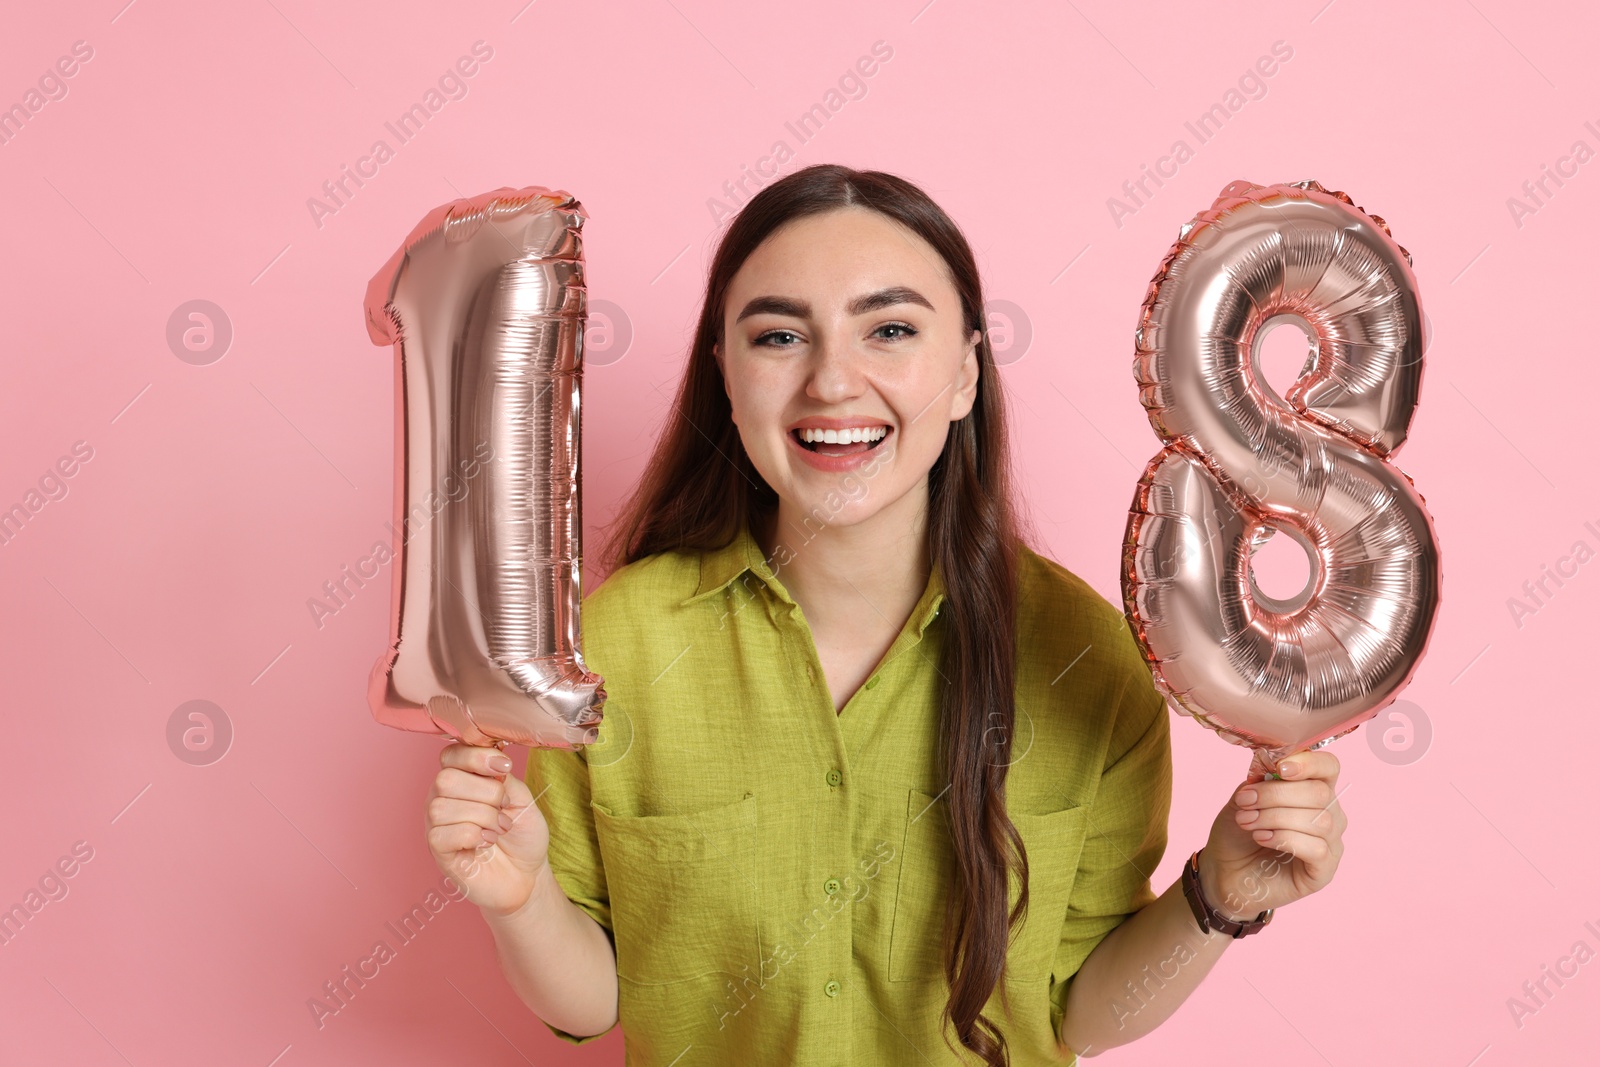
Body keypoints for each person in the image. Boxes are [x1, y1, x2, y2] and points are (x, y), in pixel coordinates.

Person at [423, 164, 1348, 1065]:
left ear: (965, 376)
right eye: (779, 337)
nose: (832, 381)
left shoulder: (1087, 658)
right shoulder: (612, 647)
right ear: (727, 378)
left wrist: (1219, 896)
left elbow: (1079, 1011)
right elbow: (602, 1000)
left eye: (891, 330)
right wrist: (520, 896)